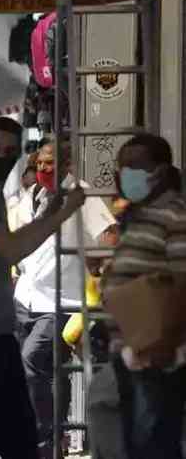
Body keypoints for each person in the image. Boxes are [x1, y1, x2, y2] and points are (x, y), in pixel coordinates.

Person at [0, 117, 85, 458]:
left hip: (0, 330)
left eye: (9, 151)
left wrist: (50, 213)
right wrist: (62, 213)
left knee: (14, 433)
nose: (1, 156)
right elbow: (10, 248)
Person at [13, 141, 117, 458]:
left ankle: (45, 441)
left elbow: (108, 232)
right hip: (25, 296)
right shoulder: (36, 195)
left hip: (60, 300)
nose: (45, 170)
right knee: (40, 371)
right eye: (41, 164)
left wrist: (100, 268)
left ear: (68, 164)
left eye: (51, 163)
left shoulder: (80, 194)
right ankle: (50, 438)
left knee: (33, 364)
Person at [102, 134, 186, 459]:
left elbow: (181, 283)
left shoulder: (175, 216)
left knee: (153, 445)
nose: (127, 174)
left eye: (136, 166)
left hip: (156, 358)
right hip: (131, 355)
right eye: (123, 166)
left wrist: (164, 345)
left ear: (160, 171)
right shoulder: (138, 215)